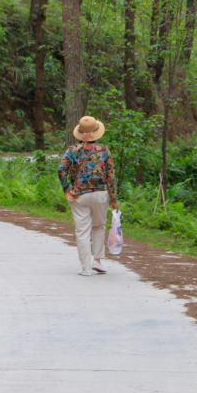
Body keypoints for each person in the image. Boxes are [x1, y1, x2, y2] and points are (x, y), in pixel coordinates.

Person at [57, 116, 119, 276]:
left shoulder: (72, 150)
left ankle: (85, 268)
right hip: (100, 194)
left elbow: (61, 170)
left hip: (80, 195)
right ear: (96, 132)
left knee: (82, 231)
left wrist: (67, 190)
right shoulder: (104, 151)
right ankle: (97, 261)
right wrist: (114, 199)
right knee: (98, 227)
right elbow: (110, 176)